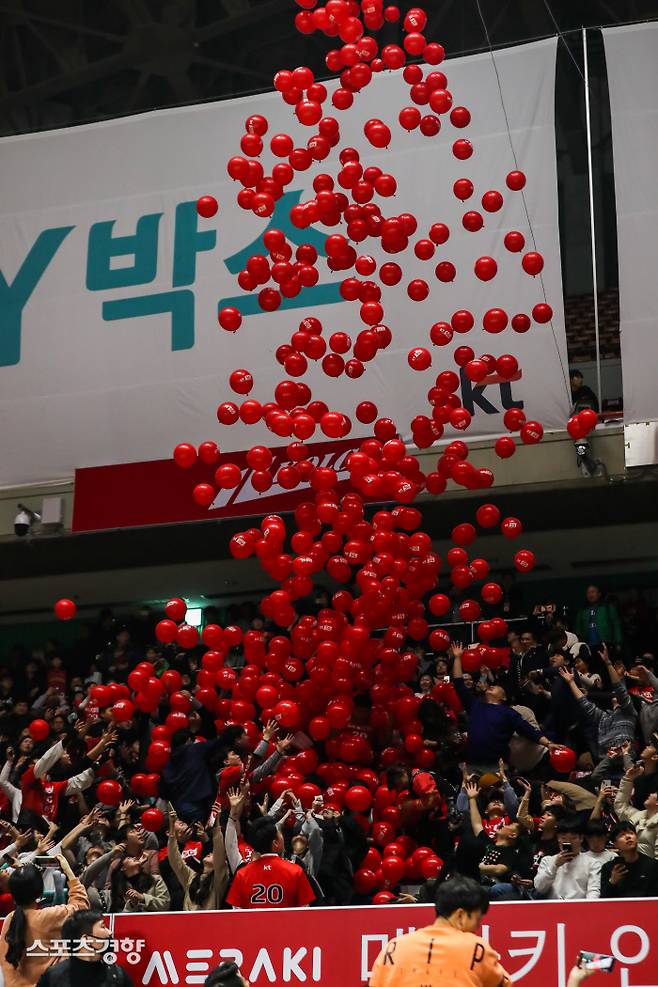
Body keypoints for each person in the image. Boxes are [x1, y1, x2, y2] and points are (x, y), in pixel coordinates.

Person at [369, 876, 511, 987]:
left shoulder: (393, 947)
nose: (477, 927)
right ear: (460, 915)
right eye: (477, 919)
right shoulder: (477, 949)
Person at [451, 644, 555, 770]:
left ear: (503, 697)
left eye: (496, 687)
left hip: (497, 767)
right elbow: (458, 684)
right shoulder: (475, 704)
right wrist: (457, 657)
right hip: (473, 765)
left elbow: (528, 730)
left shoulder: (508, 712)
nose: (491, 686)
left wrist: (548, 744)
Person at [0, 859, 89, 987]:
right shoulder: (49, 917)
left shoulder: (10, 919)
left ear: (12, 895)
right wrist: (69, 872)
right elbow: (81, 906)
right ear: (41, 892)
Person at [225, 817, 315, 909]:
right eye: (279, 833)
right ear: (275, 843)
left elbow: (236, 912)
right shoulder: (296, 871)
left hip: (252, 923)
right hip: (286, 923)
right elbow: (305, 911)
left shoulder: (242, 874)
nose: (282, 835)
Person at [35, 910, 133, 987]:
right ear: (86, 940)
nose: (110, 932)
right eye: (103, 927)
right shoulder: (52, 978)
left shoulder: (117, 976)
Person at [534, 819, 602, 900]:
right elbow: (539, 888)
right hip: (553, 908)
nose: (569, 842)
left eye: (573, 838)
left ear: (581, 838)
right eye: (563, 838)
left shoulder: (592, 863)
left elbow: (593, 891)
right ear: (558, 839)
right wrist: (555, 866)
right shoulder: (547, 860)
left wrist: (587, 908)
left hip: (580, 908)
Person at [600, 821, 658, 897]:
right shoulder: (608, 868)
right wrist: (612, 882)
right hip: (618, 908)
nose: (628, 837)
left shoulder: (652, 865)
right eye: (622, 835)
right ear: (615, 844)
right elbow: (603, 900)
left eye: (631, 833)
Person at [613, 762, 658, 857]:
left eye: (654, 794)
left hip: (649, 869)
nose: (650, 794)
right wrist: (628, 779)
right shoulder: (638, 816)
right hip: (629, 864)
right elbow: (620, 805)